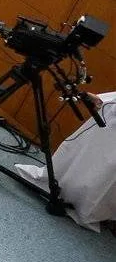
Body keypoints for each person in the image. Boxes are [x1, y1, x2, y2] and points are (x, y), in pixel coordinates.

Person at [15, 92, 116, 231]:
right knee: (83, 152)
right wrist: (103, 98)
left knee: (105, 170)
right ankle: (59, 186)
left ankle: (86, 207)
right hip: (108, 120)